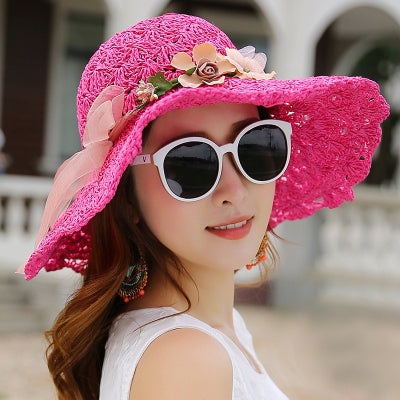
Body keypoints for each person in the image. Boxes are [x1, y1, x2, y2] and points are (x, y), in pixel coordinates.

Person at [19, 13, 389, 400]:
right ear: (126, 198)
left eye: (256, 146)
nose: (235, 189)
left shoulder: (198, 334)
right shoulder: (188, 360)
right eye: (190, 162)